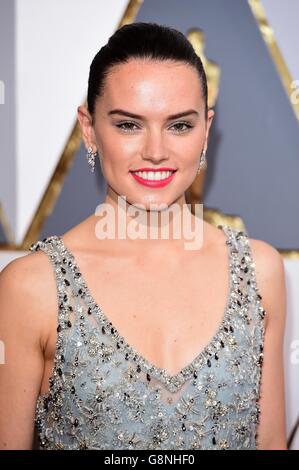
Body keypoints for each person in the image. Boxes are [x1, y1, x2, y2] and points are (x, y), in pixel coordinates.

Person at [0, 22, 287, 450]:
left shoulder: (259, 272)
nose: (155, 151)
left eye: (179, 126)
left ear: (206, 130)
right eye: (129, 125)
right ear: (89, 128)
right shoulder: (31, 288)